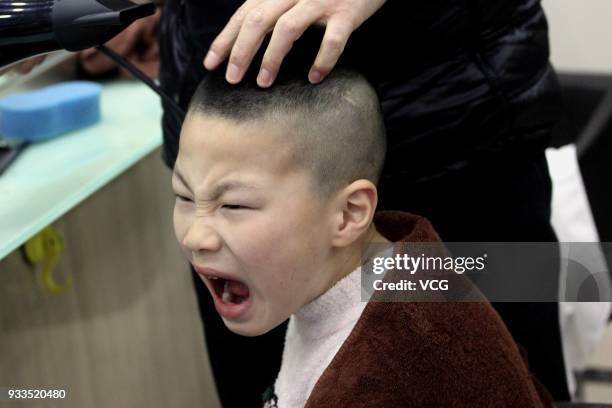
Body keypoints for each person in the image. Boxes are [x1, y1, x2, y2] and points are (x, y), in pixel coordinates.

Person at [155, 0, 570, 405]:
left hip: (461, 139)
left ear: (352, 211)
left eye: (234, 207)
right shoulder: (230, 232)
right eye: (182, 197)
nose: (196, 237)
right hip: (228, 122)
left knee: (503, 356)